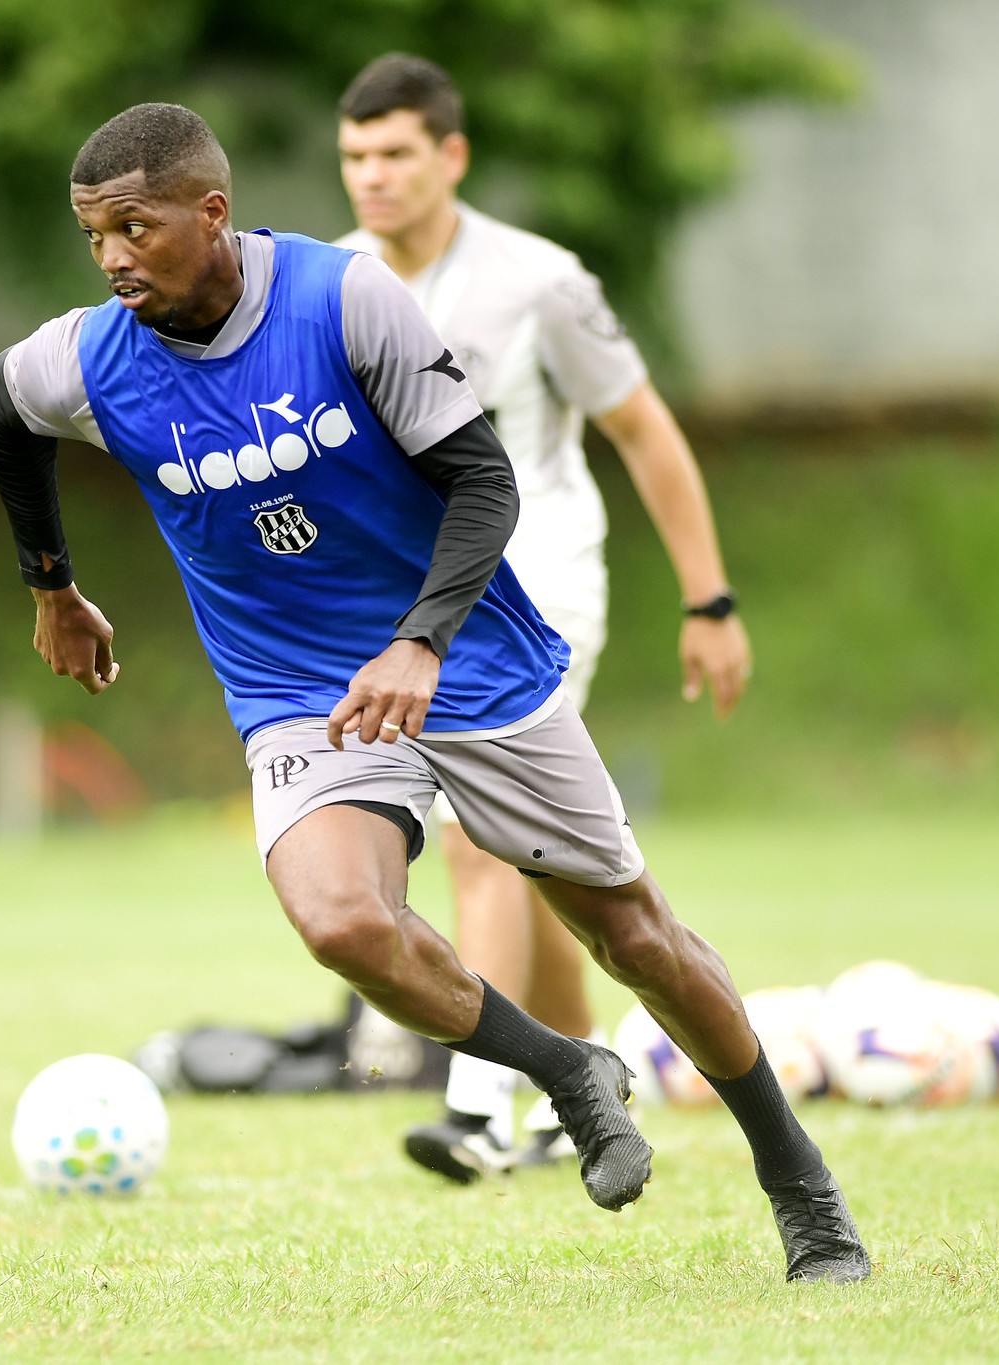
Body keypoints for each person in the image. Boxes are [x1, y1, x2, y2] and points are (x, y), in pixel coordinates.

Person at [0, 101, 869, 1282]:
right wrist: (52, 586)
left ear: (212, 211)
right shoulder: (91, 354)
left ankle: (801, 1188)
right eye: (94, 234)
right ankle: (567, 1073)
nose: (111, 258)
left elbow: (482, 486)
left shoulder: (340, 302)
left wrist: (419, 644)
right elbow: (4, 406)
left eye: (133, 229)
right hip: (302, 692)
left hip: (474, 665)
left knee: (637, 939)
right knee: (343, 922)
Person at [332, 54, 755, 1182]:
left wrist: (708, 600)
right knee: (537, 871)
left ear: (450, 155)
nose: (371, 177)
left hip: (538, 592)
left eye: (394, 154)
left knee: (478, 839)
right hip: (406, 611)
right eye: (354, 157)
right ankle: (588, 1079)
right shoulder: (333, 283)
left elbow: (645, 434)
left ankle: (476, 1113)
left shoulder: (539, 283)